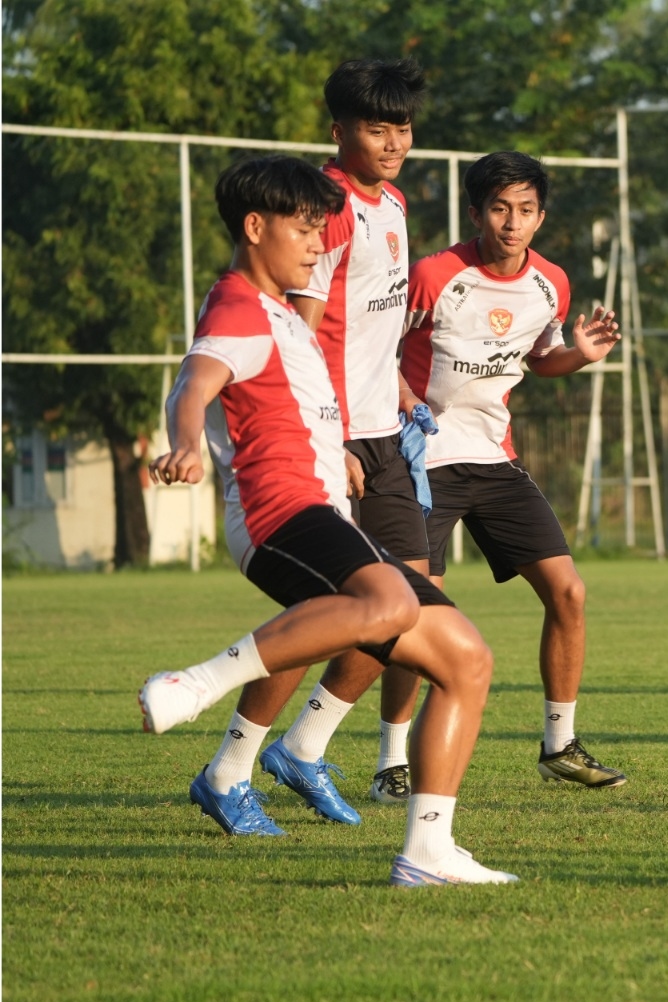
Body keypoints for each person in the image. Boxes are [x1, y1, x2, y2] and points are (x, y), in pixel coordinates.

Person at [140, 154, 514, 885]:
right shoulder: (237, 303)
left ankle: (427, 853)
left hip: (323, 503)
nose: (318, 243)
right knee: (389, 599)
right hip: (277, 513)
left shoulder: (283, 312)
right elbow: (194, 381)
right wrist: (186, 441)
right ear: (255, 227)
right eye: (305, 229)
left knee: (466, 657)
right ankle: (195, 684)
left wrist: (335, 448)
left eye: (321, 228)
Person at [204, 58, 429, 828]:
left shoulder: (393, 202)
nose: (393, 141)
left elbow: (371, 322)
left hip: (383, 433)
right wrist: (323, 437)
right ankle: (231, 766)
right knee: (330, 605)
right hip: (333, 440)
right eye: (376, 127)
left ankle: (305, 745)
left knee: (402, 606)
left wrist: (398, 387)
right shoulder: (322, 211)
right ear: (340, 132)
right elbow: (301, 329)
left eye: (401, 126)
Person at [400, 151, 626, 789]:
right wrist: (404, 408)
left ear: (542, 216)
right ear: (475, 212)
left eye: (525, 210)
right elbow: (377, 353)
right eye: (499, 208)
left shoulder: (552, 282)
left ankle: (560, 744)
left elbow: (539, 358)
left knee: (569, 592)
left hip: (495, 459)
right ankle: (391, 759)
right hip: (423, 459)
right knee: (417, 612)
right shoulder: (433, 276)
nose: (512, 222)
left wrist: (578, 355)